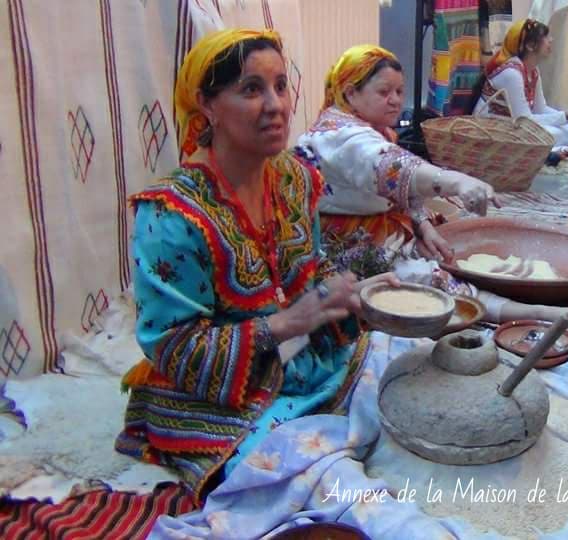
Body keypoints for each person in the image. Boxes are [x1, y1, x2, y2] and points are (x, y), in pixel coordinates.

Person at [115, 29, 399, 500]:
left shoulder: (294, 178)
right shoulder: (171, 215)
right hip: (213, 394)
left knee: (403, 380)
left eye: (281, 86)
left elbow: (311, 266)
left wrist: (352, 295)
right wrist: (284, 325)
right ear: (207, 105)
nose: (277, 105)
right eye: (251, 89)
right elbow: (172, 345)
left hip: (303, 359)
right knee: (306, 476)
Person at [296, 45, 568, 324]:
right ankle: (521, 312)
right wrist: (455, 181)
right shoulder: (338, 138)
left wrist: (422, 225)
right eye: (383, 92)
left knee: (442, 248)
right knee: (425, 280)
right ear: (350, 93)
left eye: (399, 92)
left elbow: (397, 189)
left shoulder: (368, 128)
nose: (395, 100)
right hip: (341, 247)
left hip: (376, 227)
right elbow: (391, 167)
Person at [472, 18, 568, 158]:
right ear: (530, 45)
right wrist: (565, 116)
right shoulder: (512, 74)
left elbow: (540, 109)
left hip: (517, 124)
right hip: (493, 129)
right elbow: (525, 122)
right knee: (552, 134)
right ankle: (557, 153)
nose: (550, 40)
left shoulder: (533, 71)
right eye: (545, 37)